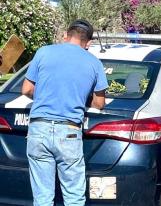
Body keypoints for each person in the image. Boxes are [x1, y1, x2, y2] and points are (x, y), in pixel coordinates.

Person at [22, 19, 108, 206]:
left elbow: (27, 89)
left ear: (65, 35)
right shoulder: (94, 63)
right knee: (74, 197)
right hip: (69, 131)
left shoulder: (43, 52)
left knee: (42, 197)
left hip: (38, 129)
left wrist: (47, 94)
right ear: (89, 43)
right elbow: (99, 103)